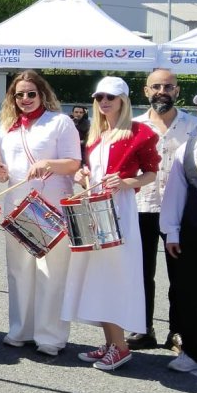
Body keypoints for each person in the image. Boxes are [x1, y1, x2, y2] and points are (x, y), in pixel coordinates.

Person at [65, 77, 158, 371]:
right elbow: (92, 172)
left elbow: (151, 173)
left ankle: (120, 346)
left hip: (120, 211)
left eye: (111, 97)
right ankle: (110, 342)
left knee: (115, 276)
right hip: (95, 209)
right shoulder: (96, 134)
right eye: (100, 97)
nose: (104, 101)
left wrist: (126, 181)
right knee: (99, 275)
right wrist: (83, 176)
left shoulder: (140, 132)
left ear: (123, 100)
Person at [0, 70, 81, 357]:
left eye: (31, 93)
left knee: (51, 273)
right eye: (19, 95)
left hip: (50, 208)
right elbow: (4, 170)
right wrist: (0, 172)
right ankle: (21, 330)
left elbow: (73, 163)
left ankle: (50, 336)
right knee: (19, 271)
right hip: (17, 207)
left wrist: (48, 163)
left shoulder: (60, 122)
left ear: (42, 93)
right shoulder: (7, 127)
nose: (26, 99)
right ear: (12, 98)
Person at [130, 68, 197, 351]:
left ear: (178, 91)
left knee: (181, 276)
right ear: (146, 91)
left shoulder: (194, 126)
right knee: (141, 273)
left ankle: (178, 332)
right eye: (156, 86)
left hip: (181, 212)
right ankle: (142, 329)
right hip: (141, 207)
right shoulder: (132, 126)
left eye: (169, 87)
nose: (162, 91)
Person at [158, 88, 197, 373]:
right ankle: (194, 351)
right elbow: (175, 192)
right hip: (194, 232)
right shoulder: (188, 146)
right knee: (189, 293)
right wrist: (172, 232)